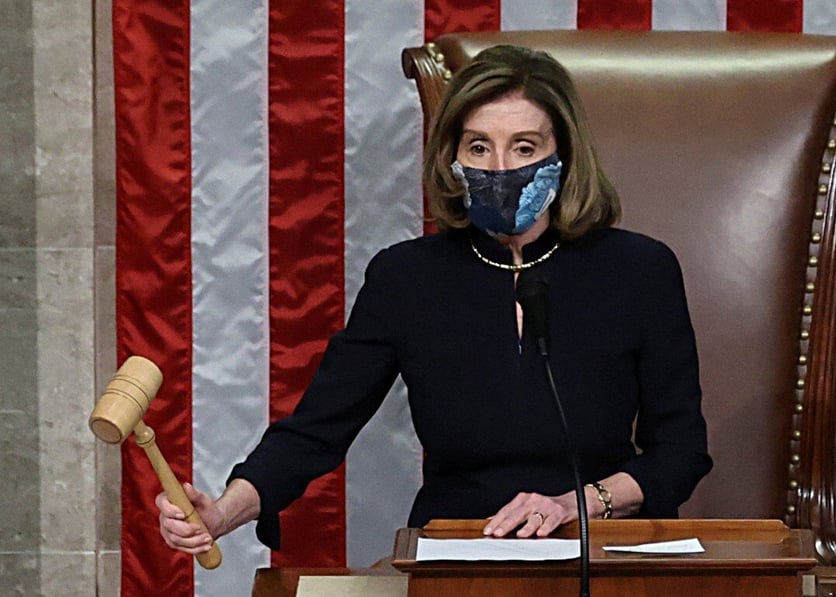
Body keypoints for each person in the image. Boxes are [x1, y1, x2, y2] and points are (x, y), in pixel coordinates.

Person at [158, 44, 712, 557]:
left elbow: (681, 450)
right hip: (458, 548)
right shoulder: (407, 277)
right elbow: (316, 429)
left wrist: (574, 506)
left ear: (564, 154)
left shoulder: (639, 269)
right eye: (479, 146)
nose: (500, 169)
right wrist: (226, 510)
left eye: (524, 146)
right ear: (452, 158)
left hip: (601, 548)